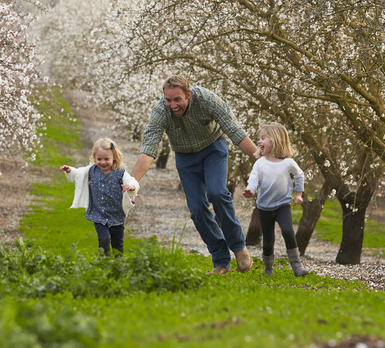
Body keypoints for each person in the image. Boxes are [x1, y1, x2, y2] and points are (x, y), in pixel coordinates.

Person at [130, 75, 258, 275]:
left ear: (188, 95)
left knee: (217, 192)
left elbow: (235, 132)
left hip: (213, 149)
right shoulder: (160, 111)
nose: (173, 105)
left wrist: (261, 160)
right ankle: (221, 262)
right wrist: (132, 181)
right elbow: (149, 147)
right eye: (168, 100)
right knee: (197, 208)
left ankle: (239, 247)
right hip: (185, 157)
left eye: (177, 99)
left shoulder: (207, 100)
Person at [242, 123, 309, 277]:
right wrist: (250, 190)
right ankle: (268, 268)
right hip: (264, 207)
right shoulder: (260, 163)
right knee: (268, 239)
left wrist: (298, 194)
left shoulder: (288, 163)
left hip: (282, 205)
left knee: (288, 231)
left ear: (276, 140)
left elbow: (299, 175)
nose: (259, 141)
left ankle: (297, 265)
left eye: (263, 138)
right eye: (259, 138)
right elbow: (253, 179)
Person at [60, 138, 139, 256]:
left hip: (116, 215)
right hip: (98, 214)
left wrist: (131, 186)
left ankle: (119, 266)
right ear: (94, 158)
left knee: (117, 245)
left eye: (106, 159)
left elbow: (131, 180)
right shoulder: (92, 171)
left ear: (114, 158)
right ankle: (103, 260)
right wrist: (69, 170)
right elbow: (78, 174)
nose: (103, 162)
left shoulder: (120, 173)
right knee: (103, 238)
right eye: (99, 159)